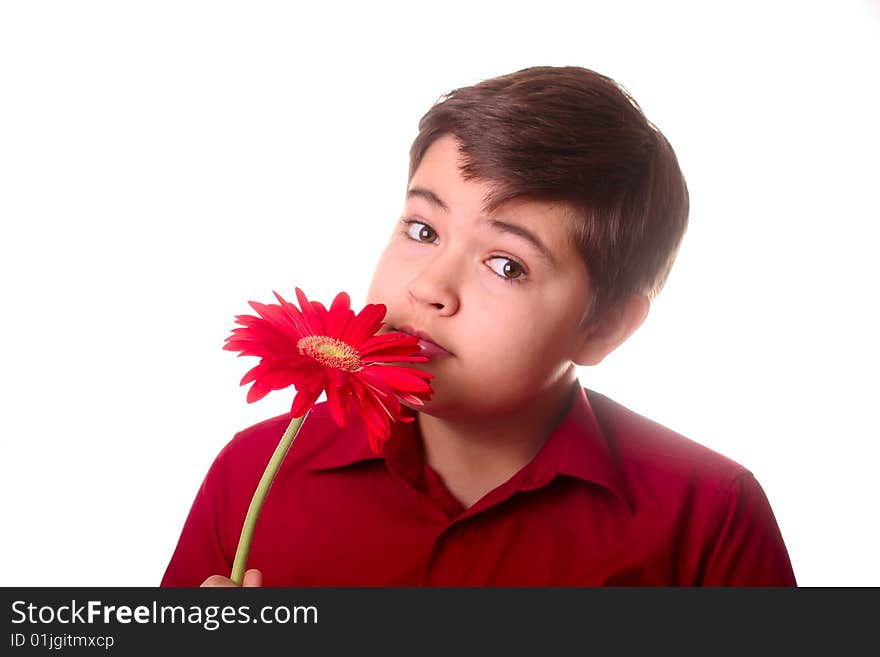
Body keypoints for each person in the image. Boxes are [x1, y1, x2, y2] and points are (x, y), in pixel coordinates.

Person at [161, 66, 796, 587]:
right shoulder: (256, 474)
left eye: (506, 264)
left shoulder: (709, 518)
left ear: (604, 328)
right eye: (422, 229)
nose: (429, 287)